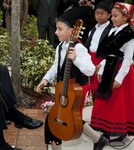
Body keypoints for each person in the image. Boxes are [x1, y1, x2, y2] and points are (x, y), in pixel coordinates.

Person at [36, 6, 109, 150]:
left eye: (60, 29)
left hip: (76, 91)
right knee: (68, 119)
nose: (56, 32)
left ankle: (97, 139)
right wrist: (46, 79)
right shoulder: (61, 46)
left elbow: (90, 70)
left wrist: (76, 59)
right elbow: (56, 66)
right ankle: (98, 139)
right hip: (64, 88)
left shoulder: (80, 48)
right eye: (56, 28)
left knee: (62, 120)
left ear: (72, 30)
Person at [91, 2, 134, 142]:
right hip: (110, 67)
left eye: (115, 16)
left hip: (121, 71)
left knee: (117, 101)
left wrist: (119, 78)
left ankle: (118, 131)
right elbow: (109, 53)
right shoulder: (112, 30)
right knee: (107, 100)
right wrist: (102, 66)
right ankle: (106, 126)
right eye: (112, 16)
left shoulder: (129, 34)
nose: (112, 19)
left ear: (126, 17)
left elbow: (127, 59)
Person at [84, 0, 113, 100]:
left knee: (99, 85)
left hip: (101, 60)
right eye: (97, 13)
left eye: (102, 13)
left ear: (109, 15)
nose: (99, 16)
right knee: (91, 85)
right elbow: (88, 46)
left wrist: (103, 62)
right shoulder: (93, 29)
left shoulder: (111, 30)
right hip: (91, 59)